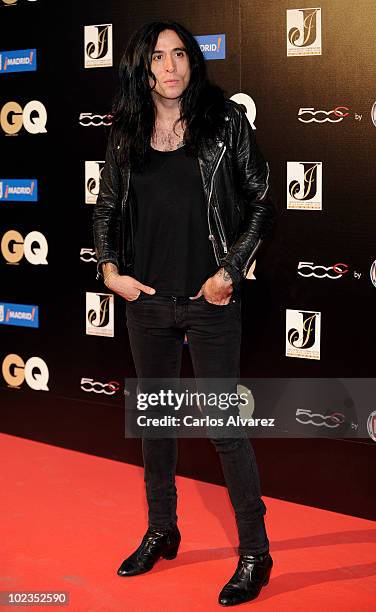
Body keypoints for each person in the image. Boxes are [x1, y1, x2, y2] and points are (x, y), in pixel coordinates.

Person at [92, 20, 276, 607]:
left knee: (226, 430)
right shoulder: (126, 130)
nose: (169, 67)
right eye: (157, 57)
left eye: (179, 55)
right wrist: (110, 271)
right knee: (157, 424)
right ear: (141, 69)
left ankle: (255, 552)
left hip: (208, 302)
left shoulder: (226, 124)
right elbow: (107, 208)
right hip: (146, 303)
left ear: (193, 63)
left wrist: (229, 272)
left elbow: (262, 201)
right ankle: (161, 528)